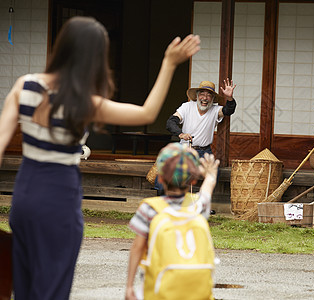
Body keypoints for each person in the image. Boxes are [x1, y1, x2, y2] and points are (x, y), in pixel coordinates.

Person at [0, 16, 200, 299]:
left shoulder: (25, 86)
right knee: (53, 288)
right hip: (59, 199)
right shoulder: (85, 102)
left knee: (24, 286)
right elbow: (146, 114)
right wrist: (168, 63)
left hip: (25, 194)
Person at [125, 142, 219, 300]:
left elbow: (137, 248)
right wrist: (209, 173)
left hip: (159, 291)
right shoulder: (198, 206)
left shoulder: (149, 209)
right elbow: (209, 185)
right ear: (193, 181)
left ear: (160, 178)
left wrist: (129, 286)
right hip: (197, 291)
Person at [153, 79, 236, 195]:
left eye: (209, 95)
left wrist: (230, 98)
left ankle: (203, 201)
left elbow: (228, 110)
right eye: (202, 94)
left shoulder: (215, 110)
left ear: (212, 99)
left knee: (214, 172)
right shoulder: (187, 107)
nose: (205, 98)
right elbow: (171, 122)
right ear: (197, 96)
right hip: (185, 149)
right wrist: (181, 134)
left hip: (204, 151)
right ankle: (161, 198)